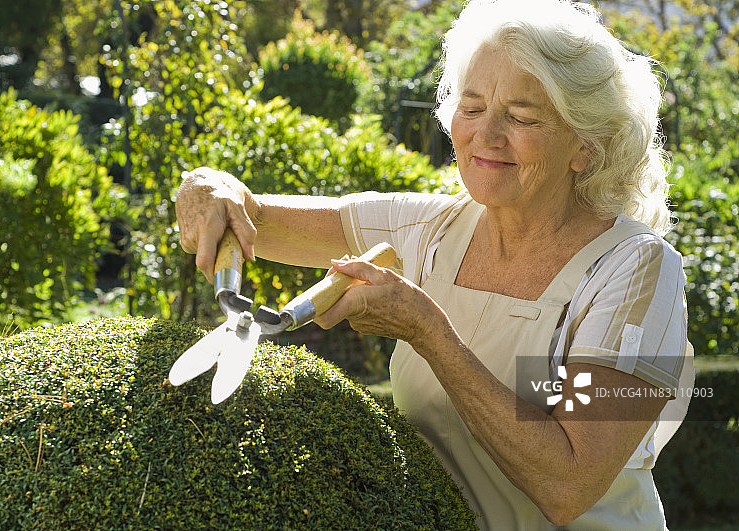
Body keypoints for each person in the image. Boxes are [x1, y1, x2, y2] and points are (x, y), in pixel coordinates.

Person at [175, 0, 694, 528]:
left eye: (520, 116)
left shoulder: (632, 271)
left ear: (586, 146)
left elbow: (568, 483)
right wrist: (209, 188)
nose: (485, 136)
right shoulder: (429, 230)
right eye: (471, 108)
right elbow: (255, 217)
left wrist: (429, 334)